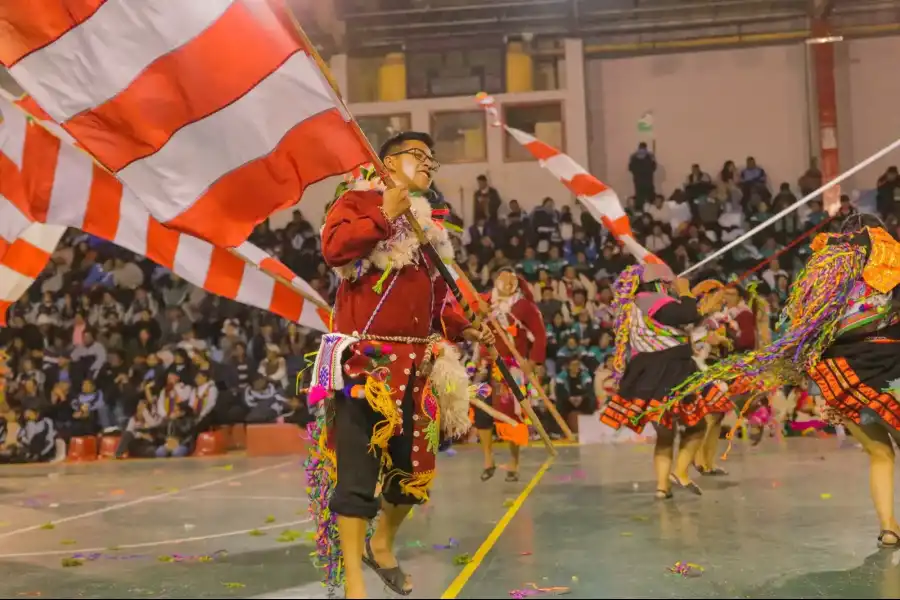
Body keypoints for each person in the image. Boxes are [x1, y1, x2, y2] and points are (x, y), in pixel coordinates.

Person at [306, 131, 493, 599]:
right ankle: (353, 583)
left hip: (416, 368)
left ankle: (383, 542)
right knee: (357, 476)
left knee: (414, 474)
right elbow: (335, 249)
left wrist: (463, 326)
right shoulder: (356, 202)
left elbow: (433, 299)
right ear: (388, 162)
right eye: (419, 156)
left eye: (433, 158)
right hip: (364, 365)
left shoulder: (429, 228)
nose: (429, 164)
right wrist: (386, 210)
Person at [670, 213, 900, 546]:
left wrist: (808, 378)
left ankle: (889, 528)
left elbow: (801, 329)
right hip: (887, 364)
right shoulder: (889, 257)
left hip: (839, 374)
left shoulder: (823, 271)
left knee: (880, 453)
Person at [599, 263, 729, 499]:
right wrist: (686, 291)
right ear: (660, 283)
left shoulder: (637, 304)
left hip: (648, 373)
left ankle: (662, 487)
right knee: (698, 425)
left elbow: (684, 319)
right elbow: (686, 314)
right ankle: (679, 472)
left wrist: (694, 296)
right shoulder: (653, 300)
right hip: (671, 371)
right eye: (668, 285)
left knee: (666, 433)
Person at [472, 267, 546, 483]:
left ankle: (514, 462)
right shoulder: (485, 302)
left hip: (510, 369)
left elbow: (540, 336)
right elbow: (470, 322)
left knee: (511, 416)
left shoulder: (524, 307)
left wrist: (531, 362)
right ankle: (488, 460)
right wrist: (479, 312)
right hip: (485, 366)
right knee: (482, 414)